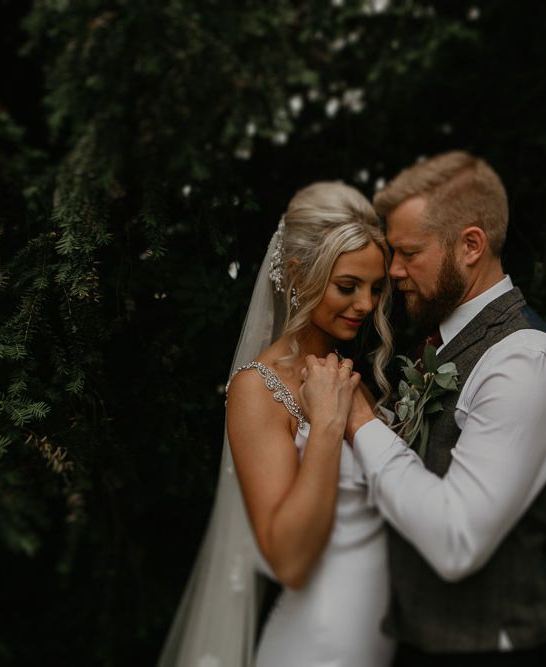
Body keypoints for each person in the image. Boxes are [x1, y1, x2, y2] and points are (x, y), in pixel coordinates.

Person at [341, 150, 546, 666]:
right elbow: (434, 457)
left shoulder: (522, 361)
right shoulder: (450, 341)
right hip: (422, 638)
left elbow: (457, 543)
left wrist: (361, 422)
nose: (395, 271)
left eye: (408, 252)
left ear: (471, 245)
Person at [158, 181, 397, 666]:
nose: (367, 305)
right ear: (297, 274)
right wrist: (328, 427)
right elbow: (288, 560)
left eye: (376, 288)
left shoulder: (348, 376)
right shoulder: (257, 389)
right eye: (348, 286)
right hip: (315, 648)